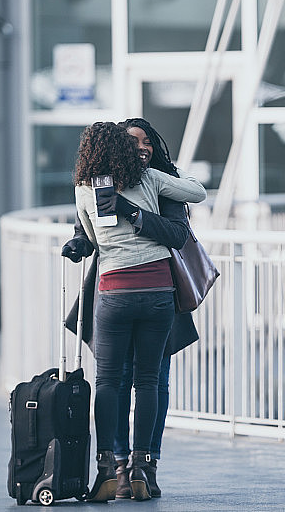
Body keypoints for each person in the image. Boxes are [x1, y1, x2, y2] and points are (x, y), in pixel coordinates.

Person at [67, 121, 206, 502]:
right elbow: (198, 192)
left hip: (115, 292)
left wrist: (121, 217)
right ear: (124, 149)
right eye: (134, 143)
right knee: (148, 381)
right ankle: (140, 468)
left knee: (109, 382)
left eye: (146, 142)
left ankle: (107, 470)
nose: (141, 148)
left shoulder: (85, 188)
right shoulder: (151, 181)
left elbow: (93, 236)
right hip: (158, 290)